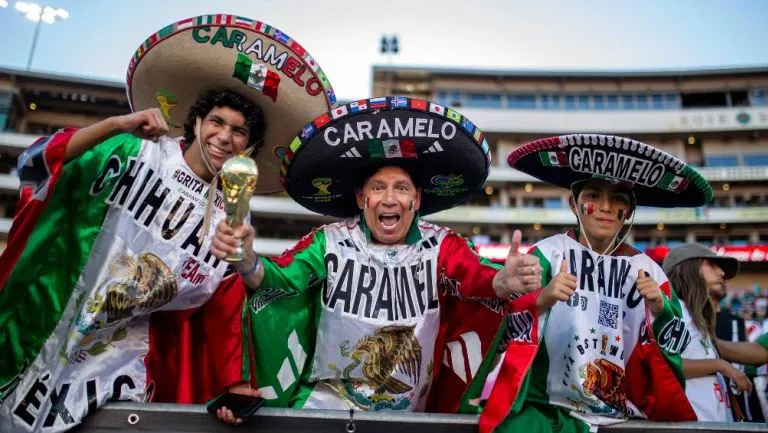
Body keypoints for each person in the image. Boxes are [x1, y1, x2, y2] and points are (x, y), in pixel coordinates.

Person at [0, 15, 334, 432]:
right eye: (216, 122)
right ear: (195, 122)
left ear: (250, 147)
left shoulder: (235, 208)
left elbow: (220, 302)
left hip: (120, 360)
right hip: (45, 318)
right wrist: (115, 124)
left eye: (239, 131)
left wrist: (235, 378)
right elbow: (37, 164)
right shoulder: (138, 151)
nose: (224, 138)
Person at [211, 97, 545, 424]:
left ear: (416, 199)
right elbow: (281, 280)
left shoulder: (441, 245)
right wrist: (246, 259)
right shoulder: (328, 241)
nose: (389, 199)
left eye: (401, 188)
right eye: (377, 187)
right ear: (361, 198)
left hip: (405, 419)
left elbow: (474, 276)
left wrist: (502, 282)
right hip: (320, 411)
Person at [476, 134, 714, 433]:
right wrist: (542, 298)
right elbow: (504, 332)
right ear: (574, 203)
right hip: (546, 412)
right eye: (593, 195)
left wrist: (660, 309)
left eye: (618, 199)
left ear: (627, 211)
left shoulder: (647, 270)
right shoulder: (548, 254)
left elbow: (675, 347)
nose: (604, 206)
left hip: (622, 419)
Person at [662, 242, 751, 421]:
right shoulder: (674, 310)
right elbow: (665, 365)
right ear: (689, 268)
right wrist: (721, 365)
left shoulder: (695, 315)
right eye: (712, 264)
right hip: (690, 423)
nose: (721, 273)